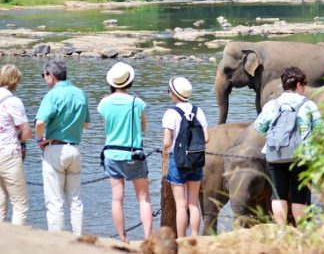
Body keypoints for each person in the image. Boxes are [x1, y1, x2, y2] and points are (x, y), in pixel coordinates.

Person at [254, 66, 322, 229]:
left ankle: (281, 230)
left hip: (276, 154)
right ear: (299, 84)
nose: (304, 87)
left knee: (278, 194)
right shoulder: (308, 105)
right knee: (300, 196)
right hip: (301, 155)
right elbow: (321, 129)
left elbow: (259, 127)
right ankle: (301, 230)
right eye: (304, 84)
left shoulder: (272, 104)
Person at [98, 62, 152, 243]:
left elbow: (105, 125)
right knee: (143, 199)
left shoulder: (104, 103)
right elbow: (144, 127)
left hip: (111, 154)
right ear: (129, 82)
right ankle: (147, 238)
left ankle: (123, 238)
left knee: (117, 199)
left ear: (112, 83)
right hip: (133, 155)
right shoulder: (137, 103)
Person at [35, 59, 90, 235]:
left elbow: (40, 122)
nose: (44, 79)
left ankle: (57, 242)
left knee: (55, 200)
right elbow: (86, 123)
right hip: (75, 149)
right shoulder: (80, 93)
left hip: (55, 148)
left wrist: (40, 139)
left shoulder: (52, 95)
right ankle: (78, 237)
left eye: (44, 75)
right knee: (75, 199)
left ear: (51, 76)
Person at [162, 76, 208, 237]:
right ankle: (195, 236)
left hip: (178, 161)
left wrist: (165, 148)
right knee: (193, 203)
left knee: (181, 205)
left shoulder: (171, 113)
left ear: (174, 94)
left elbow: (167, 142)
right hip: (196, 160)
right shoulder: (198, 111)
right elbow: (206, 138)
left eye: (169, 91)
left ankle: (182, 239)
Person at [0, 64, 31, 225]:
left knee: (0, 202)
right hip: (8, 154)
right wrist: (23, 144)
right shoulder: (13, 101)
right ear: (15, 81)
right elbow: (26, 132)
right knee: (20, 204)